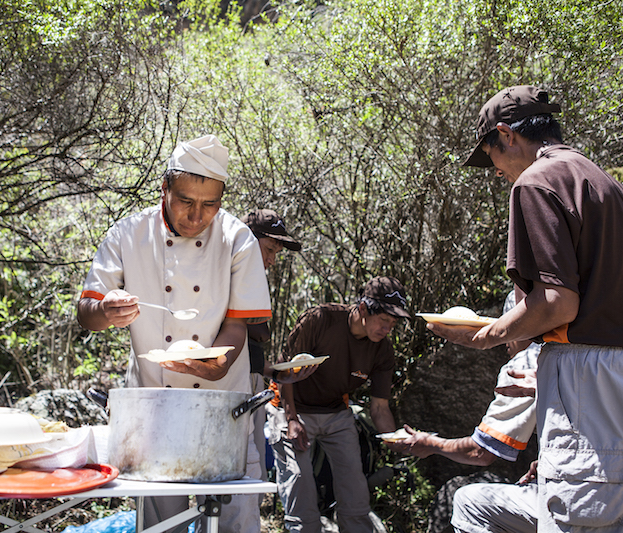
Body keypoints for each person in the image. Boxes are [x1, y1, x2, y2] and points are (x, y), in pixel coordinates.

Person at [428, 85, 623, 532]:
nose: (496, 172)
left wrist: (487, 335)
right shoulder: (603, 180)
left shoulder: (535, 183)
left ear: (506, 134)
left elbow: (558, 302)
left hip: (593, 383)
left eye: (491, 157)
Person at [77, 134, 272, 533]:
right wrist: (106, 310)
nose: (197, 216)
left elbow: (236, 324)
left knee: (234, 521)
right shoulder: (128, 235)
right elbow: (86, 313)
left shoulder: (237, 239)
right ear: (164, 188)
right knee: (160, 526)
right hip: (154, 407)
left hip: (224, 404)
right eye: (186, 201)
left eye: (210, 205)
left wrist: (220, 364)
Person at [267, 276, 411, 533]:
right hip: (290, 405)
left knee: (355, 489)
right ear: (364, 309)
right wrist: (291, 419)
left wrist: (396, 441)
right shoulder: (320, 320)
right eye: (384, 320)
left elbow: (379, 407)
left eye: (394, 323)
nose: (388, 328)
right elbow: (284, 372)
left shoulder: (382, 350)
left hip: (335, 411)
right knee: (300, 485)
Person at [404, 291, 540, 533]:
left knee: (467, 501)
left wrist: (430, 444)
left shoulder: (525, 365)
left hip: (578, 500)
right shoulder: (580, 354)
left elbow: (481, 453)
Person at [240, 208, 309, 480]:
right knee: (242, 471)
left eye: (275, 253)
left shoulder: (253, 283)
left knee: (253, 466)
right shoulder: (220, 279)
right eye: (268, 249)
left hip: (252, 383)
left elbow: (250, 348)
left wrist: (275, 372)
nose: (271, 259)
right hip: (229, 390)